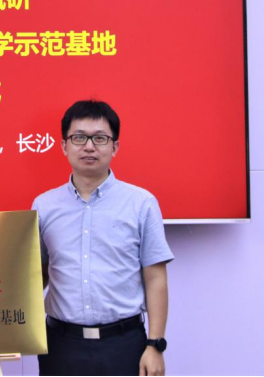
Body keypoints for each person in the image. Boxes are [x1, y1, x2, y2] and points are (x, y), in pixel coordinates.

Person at [32, 100, 173, 376]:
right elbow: (38, 273)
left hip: (124, 344)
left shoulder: (141, 203)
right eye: (79, 137)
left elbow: (155, 277)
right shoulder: (44, 205)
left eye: (99, 138)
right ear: (64, 146)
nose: (89, 146)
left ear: (114, 147)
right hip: (61, 346)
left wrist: (155, 345)